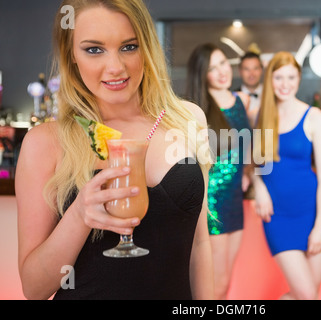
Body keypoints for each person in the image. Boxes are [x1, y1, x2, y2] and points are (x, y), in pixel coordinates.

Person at [16, 0, 213, 300]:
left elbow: (199, 244)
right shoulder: (46, 142)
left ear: (147, 47)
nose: (116, 67)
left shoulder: (188, 119)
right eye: (94, 49)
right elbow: (34, 288)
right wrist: (79, 215)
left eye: (129, 46)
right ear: (71, 56)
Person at [252, 51, 321, 300]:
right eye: (278, 78)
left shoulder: (315, 117)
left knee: (311, 296)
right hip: (278, 218)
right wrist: (259, 186)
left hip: (313, 214)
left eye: (291, 77)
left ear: (299, 79)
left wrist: (320, 225)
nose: (285, 84)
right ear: (270, 80)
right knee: (308, 296)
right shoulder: (262, 116)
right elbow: (256, 163)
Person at [186, 43, 251, 299]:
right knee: (215, 285)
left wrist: (247, 173)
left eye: (223, 62)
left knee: (225, 283)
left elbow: (244, 149)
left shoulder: (241, 101)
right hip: (211, 202)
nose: (222, 71)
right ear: (202, 75)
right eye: (213, 68)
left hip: (236, 198)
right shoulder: (197, 111)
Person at [237, 51, 264, 127]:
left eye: (255, 68)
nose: (252, 73)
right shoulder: (232, 97)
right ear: (240, 71)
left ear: (261, 70)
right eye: (247, 69)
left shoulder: (273, 95)